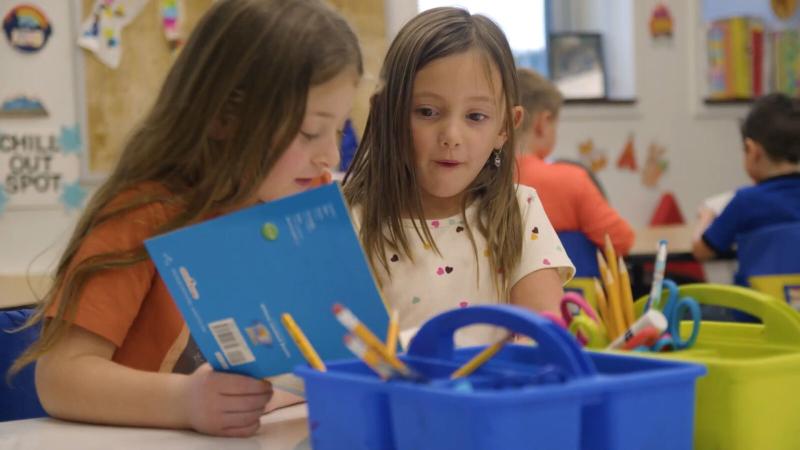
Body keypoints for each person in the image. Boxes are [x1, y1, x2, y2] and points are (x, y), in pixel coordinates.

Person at [10, 0, 361, 437]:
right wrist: (185, 401)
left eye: (340, 129)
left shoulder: (291, 209)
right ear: (224, 118)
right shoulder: (146, 213)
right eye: (310, 132)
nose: (330, 154)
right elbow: (60, 378)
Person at [343, 7, 574, 346]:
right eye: (427, 112)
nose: (451, 135)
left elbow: (546, 337)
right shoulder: (350, 219)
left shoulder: (519, 211)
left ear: (505, 128)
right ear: (385, 114)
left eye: (476, 116)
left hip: (491, 398)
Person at [515, 68, 634, 255]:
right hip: (573, 284)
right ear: (542, 123)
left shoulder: (481, 180)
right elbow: (622, 241)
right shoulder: (571, 181)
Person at [692, 93, 800, 261]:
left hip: (754, 288)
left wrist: (706, 214)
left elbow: (701, 250)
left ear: (752, 150)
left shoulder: (744, 202)